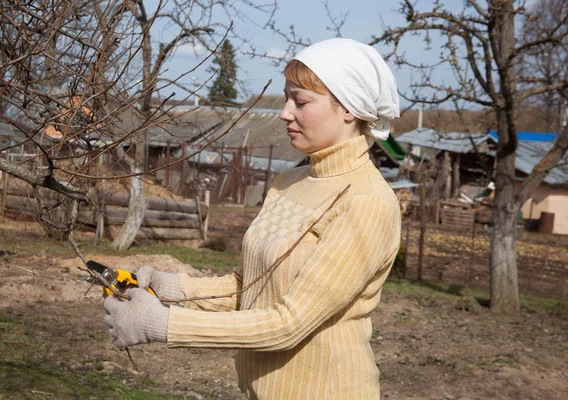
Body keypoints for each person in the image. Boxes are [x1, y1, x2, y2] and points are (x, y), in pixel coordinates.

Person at [102, 38, 402, 399]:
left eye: (301, 102)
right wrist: (167, 288)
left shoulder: (366, 202)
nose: (285, 112)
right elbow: (249, 287)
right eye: (287, 97)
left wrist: (162, 323)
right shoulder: (289, 181)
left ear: (350, 109)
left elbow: (289, 323)